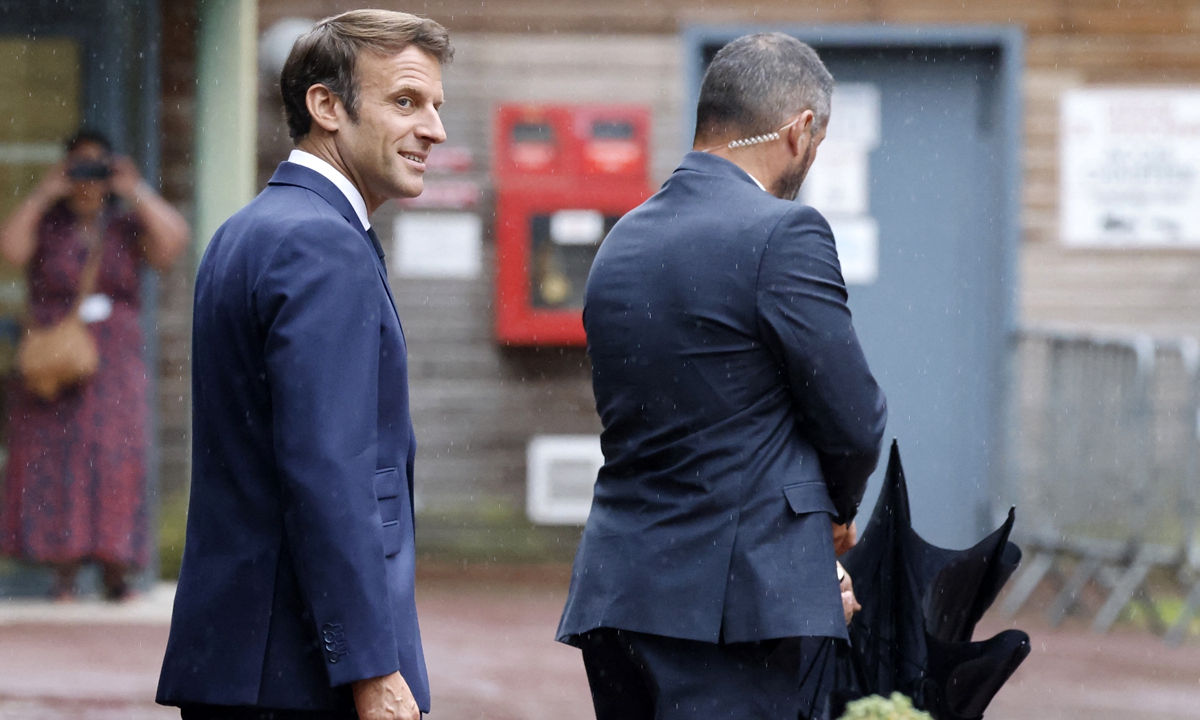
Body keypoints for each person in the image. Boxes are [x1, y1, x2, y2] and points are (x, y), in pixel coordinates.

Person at [556, 33, 888, 720]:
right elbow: (855, 417)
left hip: (622, 593)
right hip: (739, 611)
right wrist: (835, 515)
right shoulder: (784, 234)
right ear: (799, 131)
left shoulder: (623, 240)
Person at [156, 10, 450, 720]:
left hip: (240, 653)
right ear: (325, 106)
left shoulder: (247, 230)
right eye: (406, 102)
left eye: (437, 106)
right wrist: (372, 669)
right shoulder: (321, 244)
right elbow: (330, 472)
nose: (435, 130)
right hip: (302, 671)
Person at [0, 129, 190, 601]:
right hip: (55, 360)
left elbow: (173, 244)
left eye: (95, 168)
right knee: (53, 457)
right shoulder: (50, 222)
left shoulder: (125, 223)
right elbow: (10, 250)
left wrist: (134, 189)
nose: (87, 180)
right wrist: (45, 193)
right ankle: (61, 573)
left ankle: (115, 571)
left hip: (114, 363)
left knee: (114, 459)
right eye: (79, 168)